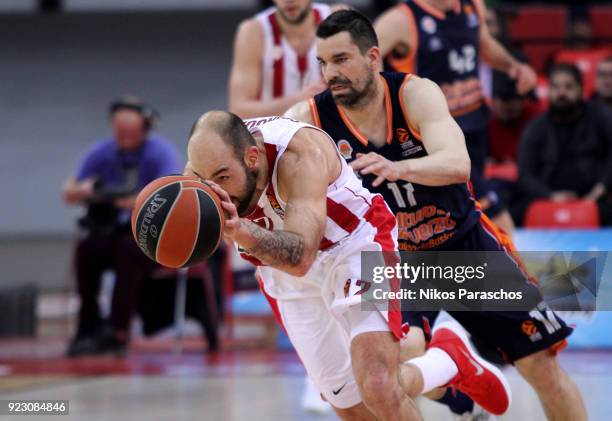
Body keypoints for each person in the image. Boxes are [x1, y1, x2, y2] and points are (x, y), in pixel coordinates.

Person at [285, 10, 587, 420]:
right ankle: (453, 367)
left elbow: (458, 163)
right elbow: (264, 148)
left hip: (464, 248)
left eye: (341, 60)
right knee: (383, 373)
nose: (330, 73)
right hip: (391, 262)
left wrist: (398, 167)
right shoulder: (309, 120)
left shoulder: (415, 94)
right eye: (323, 63)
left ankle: (453, 367)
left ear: (374, 57)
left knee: (540, 365)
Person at [185, 111, 511, 420]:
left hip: (355, 247)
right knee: (348, 403)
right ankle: (447, 362)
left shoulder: (299, 155)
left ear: (252, 158)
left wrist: (241, 230)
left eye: (223, 177)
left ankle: (444, 361)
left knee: (379, 385)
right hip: (281, 271)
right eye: (202, 177)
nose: (214, 186)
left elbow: (301, 256)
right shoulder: (204, 168)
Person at [373, 0, 538, 234]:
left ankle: (468, 266)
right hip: (432, 136)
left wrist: (513, 67)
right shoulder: (401, 19)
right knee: (496, 214)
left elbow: (483, 42)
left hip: (474, 126)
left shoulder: (473, 6)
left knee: (461, 214)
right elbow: (367, 56)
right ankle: (513, 269)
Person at [63, 97, 180, 356]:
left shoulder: (160, 152)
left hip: (149, 237)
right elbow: (69, 192)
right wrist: (85, 191)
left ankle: (118, 330)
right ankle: (88, 324)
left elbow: (172, 191)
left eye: (130, 132)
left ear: (145, 128)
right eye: (119, 132)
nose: (124, 138)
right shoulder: (102, 151)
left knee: (128, 251)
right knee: (87, 250)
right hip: (110, 232)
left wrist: (127, 200)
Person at [516, 62, 612, 226]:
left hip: (596, 200)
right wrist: (550, 196)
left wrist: (600, 189)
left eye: (568, 87)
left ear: (581, 89)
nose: (561, 92)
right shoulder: (536, 127)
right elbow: (525, 175)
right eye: (556, 87)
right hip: (548, 200)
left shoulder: (600, 116)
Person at [228, 0, 349, 119]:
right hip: (275, 134)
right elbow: (239, 110)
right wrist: (300, 101)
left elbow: (366, 79)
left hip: (332, 131)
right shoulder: (253, 31)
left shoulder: (341, 19)